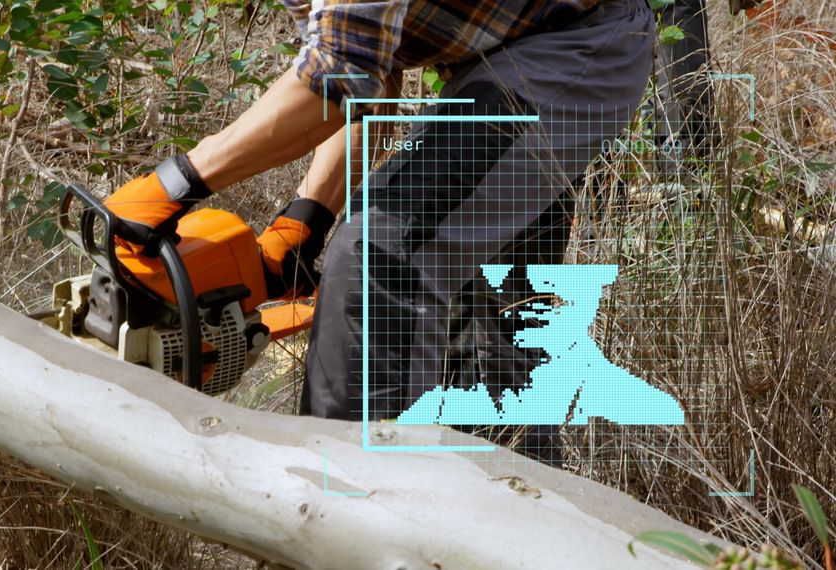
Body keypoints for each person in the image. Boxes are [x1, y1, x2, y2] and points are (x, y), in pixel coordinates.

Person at [102, 0, 656, 465]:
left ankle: (346, 507)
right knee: (487, 303)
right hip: (507, 49)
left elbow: (331, 83)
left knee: (379, 255)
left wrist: (175, 183)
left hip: (573, 46)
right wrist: (306, 220)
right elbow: (363, 75)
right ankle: (511, 519)